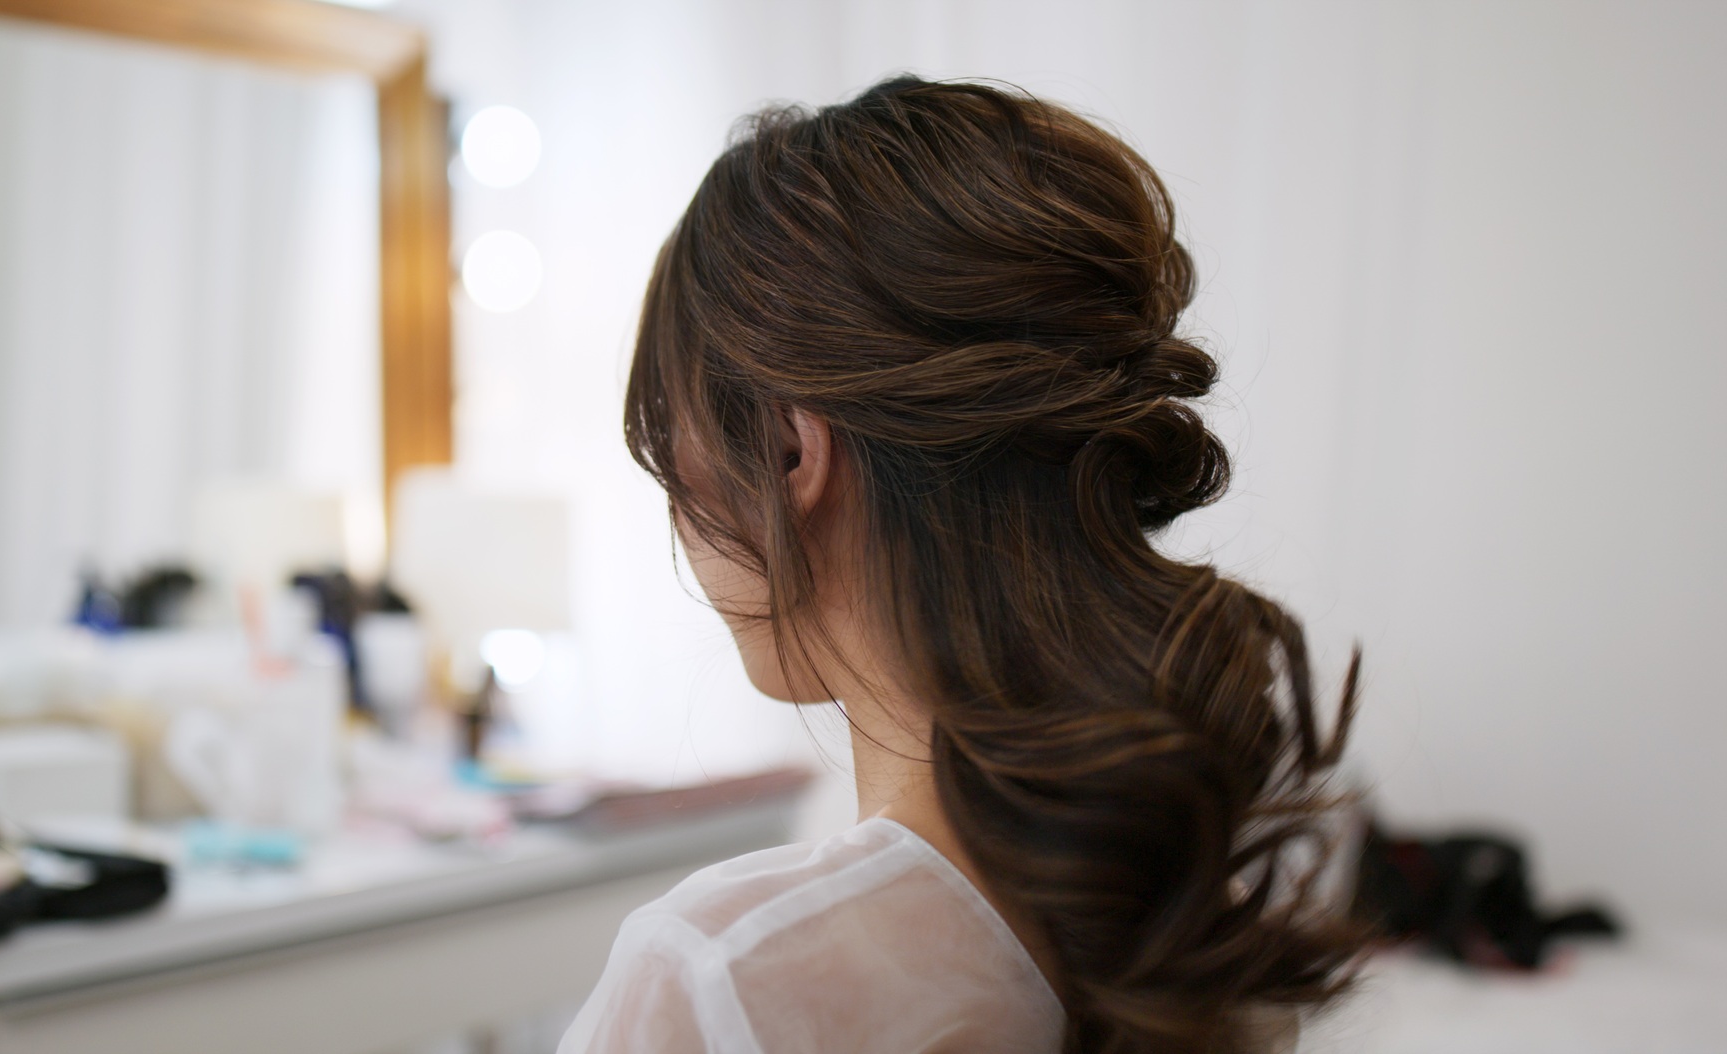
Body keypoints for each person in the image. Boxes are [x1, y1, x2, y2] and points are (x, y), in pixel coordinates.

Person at [559, 76, 1363, 1054]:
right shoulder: (1182, 887)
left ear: (784, 449)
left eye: (668, 444)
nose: (676, 512)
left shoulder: (724, 975)